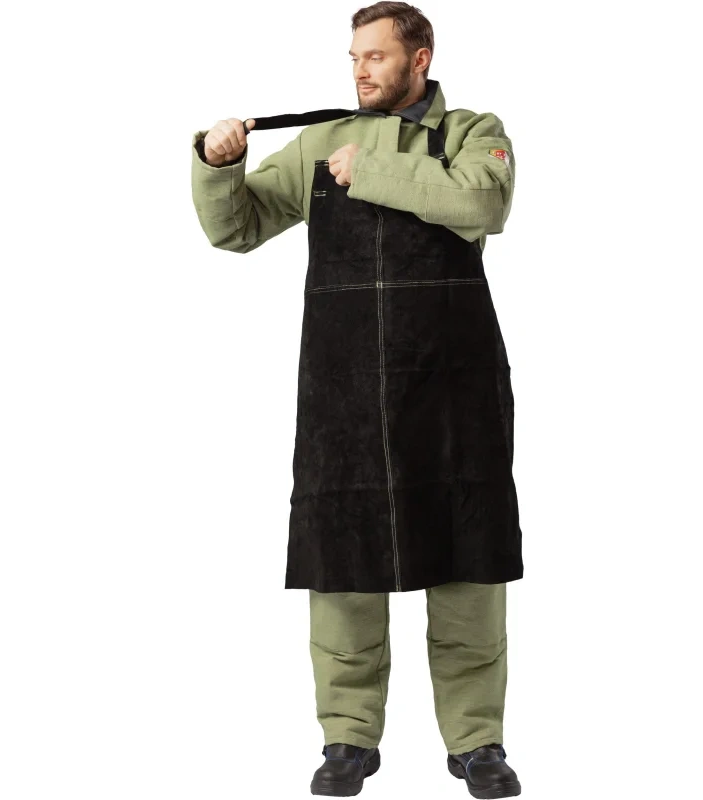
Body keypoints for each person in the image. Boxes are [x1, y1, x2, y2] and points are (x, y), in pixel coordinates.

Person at [190, 3, 523, 797]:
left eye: (375, 56)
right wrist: (216, 162)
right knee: (342, 564)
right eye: (353, 57)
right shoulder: (318, 141)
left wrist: (367, 171)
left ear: (420, 58)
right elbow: (237, 229)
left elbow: (482, 204)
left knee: (467, 565)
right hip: (343, 390)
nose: (360, 70)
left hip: (452, 389)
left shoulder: (473, 132)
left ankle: (477, 742)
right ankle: (347, 739)